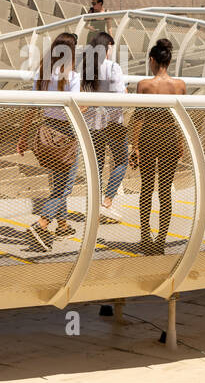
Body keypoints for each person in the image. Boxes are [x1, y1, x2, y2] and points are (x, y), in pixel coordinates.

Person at [17, 31, 81, 250]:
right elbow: (75, 108)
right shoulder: (72, 77)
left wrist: (23, 136)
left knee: (57, 181)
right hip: (67, 135)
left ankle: (62, 225)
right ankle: (42, 223)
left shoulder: (42, 74)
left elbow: (33, 106)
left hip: (46, 132)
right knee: (65, 187)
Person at [128, 38, 186, 255]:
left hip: (149, 136)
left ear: (152, 60)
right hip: (170, 135)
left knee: (146, 188)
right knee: (165, 191)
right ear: (169, 61)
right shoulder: (179, 86)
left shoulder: (144, 85)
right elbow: (180, 117)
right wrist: (180, 143)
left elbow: (139, 116)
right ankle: (161, 239)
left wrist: (135, 147)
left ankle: (145, 235)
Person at [80, 30, 129, 223]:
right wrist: (125, 89)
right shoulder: (112, 67)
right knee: (121, 161)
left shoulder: (87, 67)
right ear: (106, 47)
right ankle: (107, 202)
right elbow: (120, 95)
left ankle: (95, 205)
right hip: (112, 123)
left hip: (93, 123)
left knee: (97, 165)